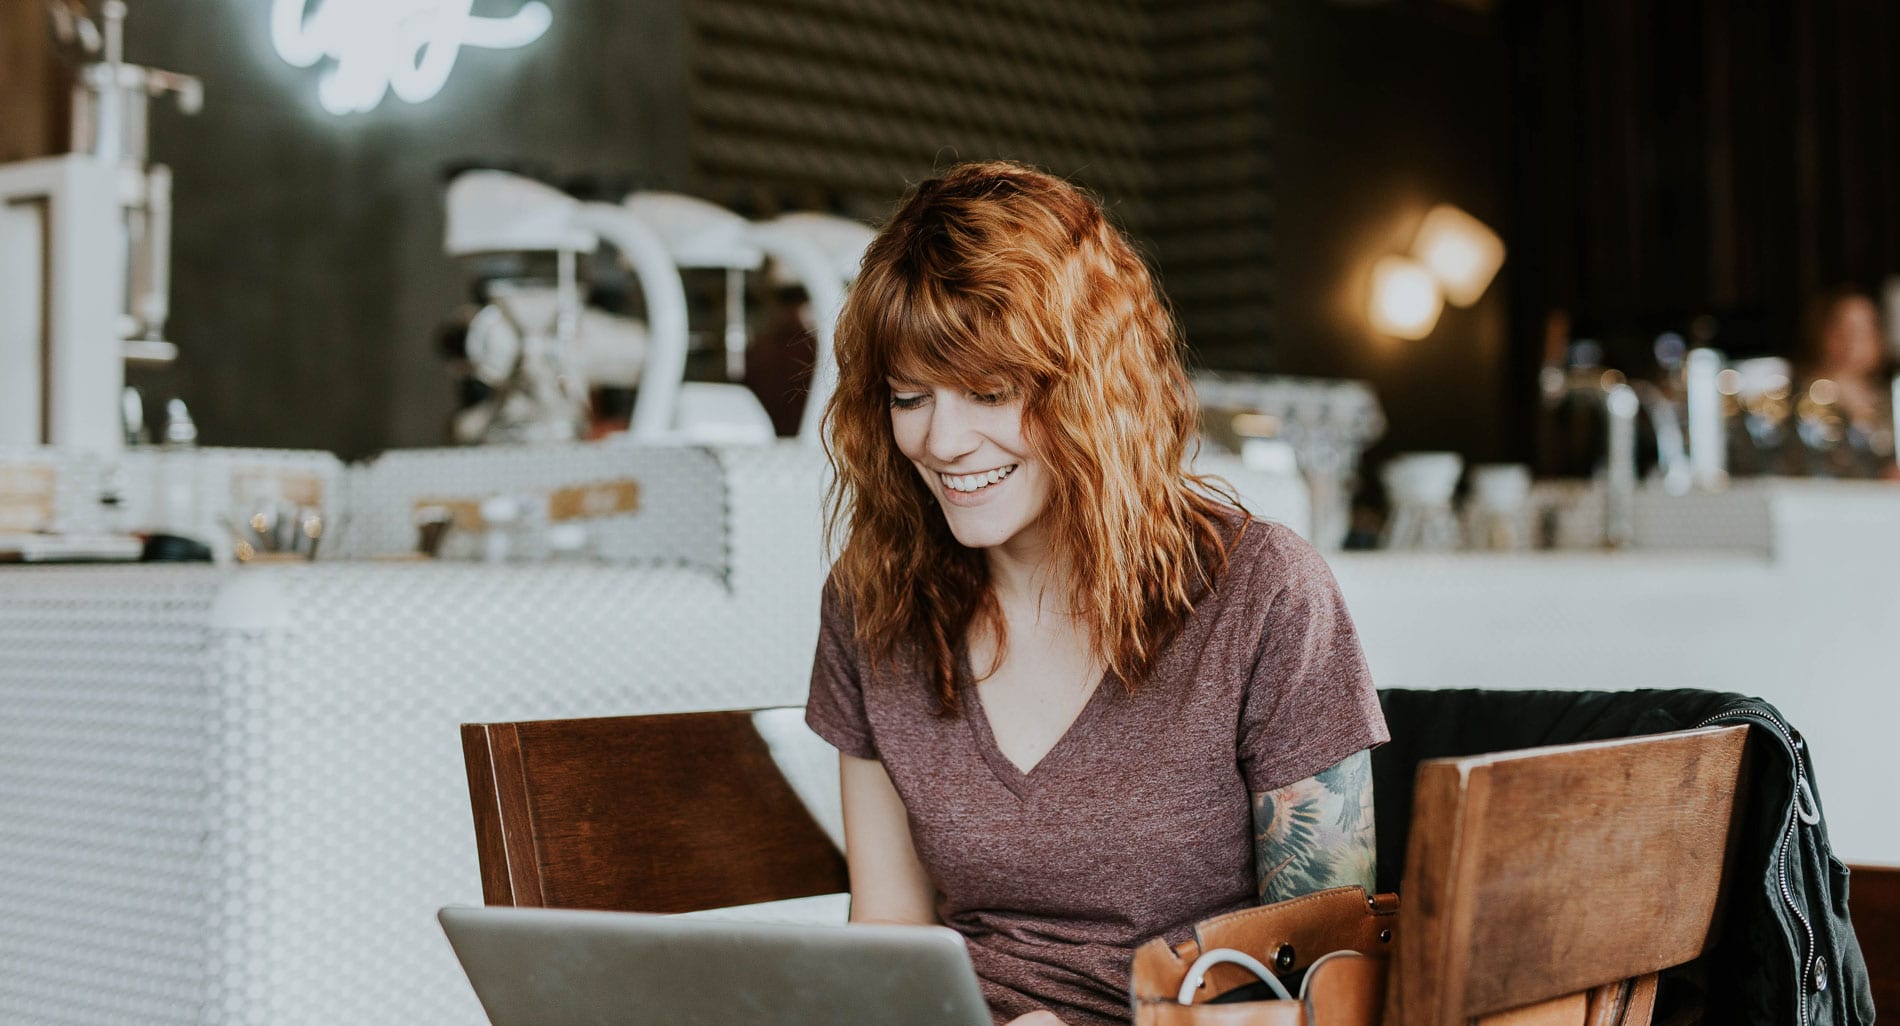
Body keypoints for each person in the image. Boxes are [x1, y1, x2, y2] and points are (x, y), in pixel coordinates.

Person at [804, 161, 1388, 1026]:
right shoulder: (874, 603)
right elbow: (887, 941)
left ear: (1091, 389)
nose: (942, 440)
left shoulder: (1263, 594)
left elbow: (1337, 988)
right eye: (909, 396)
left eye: (991, 392)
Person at [1794, 287, 1898, 479]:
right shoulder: (1800, 398)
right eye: (1843, 329)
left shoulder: (1891, 399)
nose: (1853, 341)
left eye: (1864, 330)